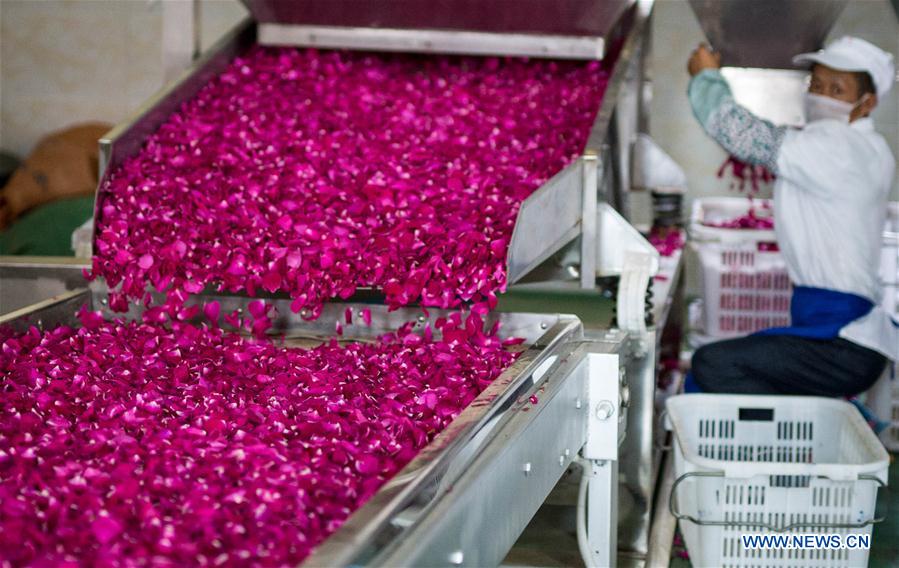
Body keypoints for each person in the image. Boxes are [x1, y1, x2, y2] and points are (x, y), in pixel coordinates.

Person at [685, 36, 898, 396]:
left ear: (868, 103)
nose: (821, 95)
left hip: (841, 341)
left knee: (713, 366)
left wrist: (705, 78)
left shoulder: (840, 146)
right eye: (816, 84)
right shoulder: (865, 149)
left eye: (836, 89)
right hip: (844, 336)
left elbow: (741, 133)